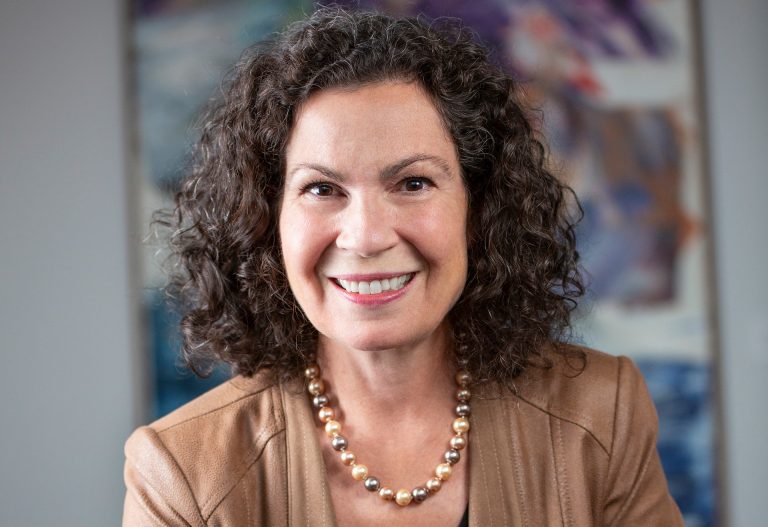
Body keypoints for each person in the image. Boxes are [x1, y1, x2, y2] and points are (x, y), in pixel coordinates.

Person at [123, 7, 683, 526]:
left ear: (479, 207)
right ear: (267, 222)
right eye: (321, 188)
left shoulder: (602, 412)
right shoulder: (181, 473)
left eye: (413, 183)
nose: (365, 237)